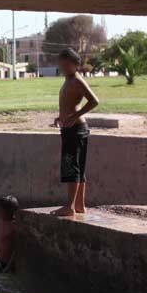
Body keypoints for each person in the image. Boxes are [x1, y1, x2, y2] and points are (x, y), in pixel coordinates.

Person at [51, 48, 100, 217]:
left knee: (72, 167)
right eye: (61, 64)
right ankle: (79, 205)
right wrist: (61, 117)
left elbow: (94, 101)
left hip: (76, 130)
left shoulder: (77, 80)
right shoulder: (68, 80)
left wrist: (75, 116)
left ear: (75, 64)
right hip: (70, 128)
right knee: (77, 167)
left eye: (66, 64)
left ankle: (70, 206)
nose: (62, 67)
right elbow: (68, 104)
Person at [0, 195, 18, 273]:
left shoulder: (14, 225)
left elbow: (16, 249)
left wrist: (8, 267)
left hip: (6, 264)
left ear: (8, 211)